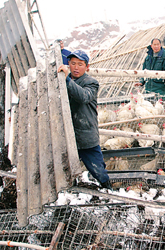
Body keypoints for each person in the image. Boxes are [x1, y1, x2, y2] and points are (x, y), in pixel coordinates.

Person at [57, 50, 112, 190]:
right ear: (68, 64)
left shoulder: (91, 83)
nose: (76, 67)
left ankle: (108, 190)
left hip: (86, 135)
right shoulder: (62, 80)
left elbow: (83, 97)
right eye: (73, 63)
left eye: (80, 64)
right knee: (65, 169)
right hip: (69, 135)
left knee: (98, 169)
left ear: (87, 67)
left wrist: (67, 80)